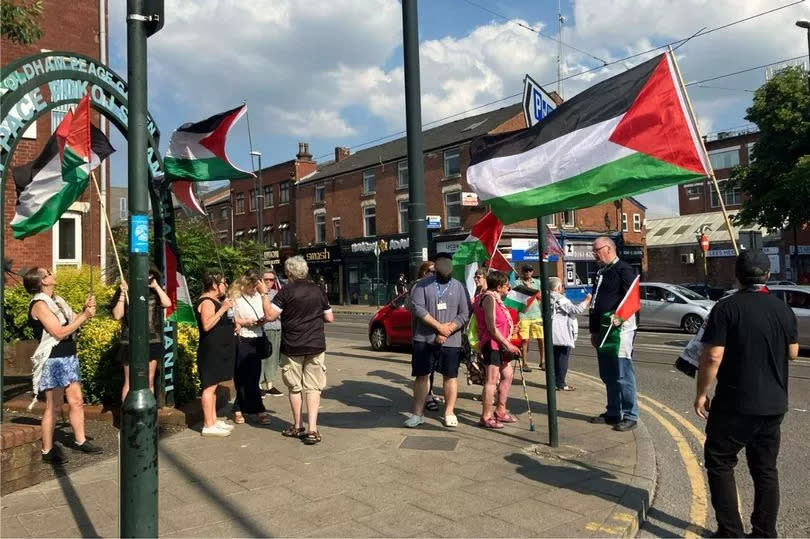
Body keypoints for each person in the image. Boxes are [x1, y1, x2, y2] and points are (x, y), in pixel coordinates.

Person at [695, 251, 798, 538]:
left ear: (737, 275)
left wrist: (702, 393)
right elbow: (793, 353)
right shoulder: (783, 309)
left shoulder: (726, 308)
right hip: (774, 404)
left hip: (735, 404)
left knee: (720, 462)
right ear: (767, 275)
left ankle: (730, 532)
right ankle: (765, 533)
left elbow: (713, 356)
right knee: (765, 469)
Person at [24, 267, 102, 464]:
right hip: (53, 359)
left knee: (76, 401)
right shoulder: (40, 305)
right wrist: (84, 317)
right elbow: (58, 332)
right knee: (54, 405)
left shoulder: (57, 301)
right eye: (48, 273)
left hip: (69, 356)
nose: (52, 274)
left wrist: (84, 311)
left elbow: (72, 321)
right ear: (42, 281)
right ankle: (47, 450)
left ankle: (80, 440)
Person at [265, 256, 334, 445]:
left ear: (289, 273)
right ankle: (313, 429)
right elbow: (329, 318)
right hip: (316, 345)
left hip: (293, 346)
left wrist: (264, 295)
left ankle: (297, 426)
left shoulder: (285, 292)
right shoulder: (318, 290)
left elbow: (271, 316)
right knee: (313, 388)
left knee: (295, 387)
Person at [405, 252, 469, 428]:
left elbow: (464, 313)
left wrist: (448, 329)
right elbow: (418, 309)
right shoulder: (421, 286)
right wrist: (439, 328)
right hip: (424, 339)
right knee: (421, 376)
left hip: (451, 341)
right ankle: (417, 413)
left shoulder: (459, 287)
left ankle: (449, 412)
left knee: (450, 376)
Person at [588, 237, 639, 432]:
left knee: (622, 373)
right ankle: (613, 412)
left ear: (608, 249)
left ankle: (631, 414)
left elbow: (632, 299)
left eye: (596, 250)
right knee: (608, 374)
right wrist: (593, 330)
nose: (594, 254)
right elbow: (595, 303)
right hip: (602, 330)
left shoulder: (624, 270)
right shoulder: (601, 271)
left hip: (620, 331)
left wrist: (619, 317)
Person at [111, 265, 171, 403]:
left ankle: (148, 414)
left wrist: (156, 287)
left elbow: (167, 303)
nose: (147, 279)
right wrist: (121, 293)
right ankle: (127, 415)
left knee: (148, 380)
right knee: (130, 381)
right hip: (129, 340)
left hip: (152, 340)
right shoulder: (126, 290)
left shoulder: (154, 292)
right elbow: (117, 315)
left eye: (150, 276)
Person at [474, 271, 521, 429]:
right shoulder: (488, 298)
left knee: (507, 375)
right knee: (492, 380)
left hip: (501, 343)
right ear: (499, 286)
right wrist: (508, 344)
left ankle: (500, 410)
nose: (509, 287)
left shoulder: (497, 298)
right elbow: (491, 326)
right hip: (492, 344)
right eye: (507, 285)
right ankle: (486, 416)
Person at [195, 270, 237, 437]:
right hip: (211, 350)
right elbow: (206, 325)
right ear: (214, 285)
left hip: (220, 349)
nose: (225, 286)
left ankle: (212, 420)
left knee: (213, 386)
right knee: (209, 386)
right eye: (223, 283)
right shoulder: (206, 302)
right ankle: (207, 424)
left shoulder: (215, 300)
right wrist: (223, 309)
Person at [231, 269, 273, 425]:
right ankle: (243, 409)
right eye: (252, 285)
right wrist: (243, 322)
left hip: (258, 337)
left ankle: (248, 408)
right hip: (243, 338)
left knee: (254, 376)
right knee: (241, 376)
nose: (254, 289)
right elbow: (232, 318)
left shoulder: (260, 296)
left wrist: (262, 319)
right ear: (245, 283)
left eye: (257, 285)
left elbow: (269, 314)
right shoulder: (236, 297)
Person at [549, 277, 591, 392]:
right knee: (562, 359)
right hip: (562, 334)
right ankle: (561, 383)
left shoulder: (546, 298)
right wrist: (587, 300)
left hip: (550, 333)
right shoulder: (561, 299)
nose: (563, 288)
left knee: (553, 359)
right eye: (562, 286)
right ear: (557, 287)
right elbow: (576, 310)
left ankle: (553, 382)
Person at [259, 270, 284, 397]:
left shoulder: (277, 294)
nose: (269, 282)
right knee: (262, 358)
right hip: (263, 329)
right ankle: (258, 385)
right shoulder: (258, 294)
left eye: (271, 280)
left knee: (273, 358)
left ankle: (269, 384)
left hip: (277, 328)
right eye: (266, 279)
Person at [516, 265, 543, 372]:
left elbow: (540, 297)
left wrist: (530, 290)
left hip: (536, 314)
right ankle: (525, 363)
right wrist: (526, 289)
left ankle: (543, 362)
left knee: (541, 339)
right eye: (525, 270)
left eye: (530, 270)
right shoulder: (517, 283)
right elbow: (517, 298)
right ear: (522, 272)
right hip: (524, 315)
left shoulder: (537, 282)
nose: (528, 272)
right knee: (524, 340)